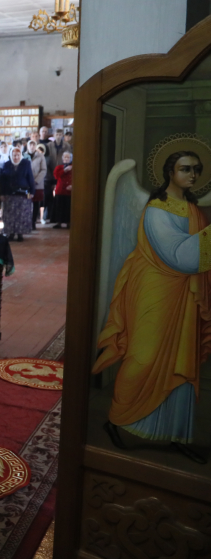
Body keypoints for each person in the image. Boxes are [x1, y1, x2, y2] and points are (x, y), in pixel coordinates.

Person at [92, 150, 210, 463]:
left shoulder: (192, 208)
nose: (192, 175)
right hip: (154, 292)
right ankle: (117, 418)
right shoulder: (156, 209)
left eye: (197, 169)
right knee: (142, 358)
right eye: (185, 169)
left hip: (183, 296)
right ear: (170, 171)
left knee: (181, 361)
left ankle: (174, 433)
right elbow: (180, 256)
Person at [0, 147, 35, 241]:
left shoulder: (26, 163)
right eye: (14, 155)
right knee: (9, 215)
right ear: (11, 155)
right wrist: (1, 193)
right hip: (9, 194)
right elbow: (2, 181)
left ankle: (20, 234)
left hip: (23, 194)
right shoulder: (6, 164)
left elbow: (30, 178)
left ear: (21, 155)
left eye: (18, 155)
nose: (16, 157)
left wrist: (32, 192)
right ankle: (10, 233)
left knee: (21, 215)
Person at [44, 129, 70, 221]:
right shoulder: (49, 145)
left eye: (60, 134)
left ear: (62, 135)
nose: (58, 136)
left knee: (59, 196)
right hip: (50, 172)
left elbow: (69, 158)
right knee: (49, 196)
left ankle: (59, 218)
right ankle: (49, 216)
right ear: (54, 135)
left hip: (62, 172)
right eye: (57, 134)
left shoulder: (67, 145)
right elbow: (46, 159)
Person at [28, 140, 48, 226]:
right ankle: (27, 221)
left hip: (37, 184)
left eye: (33, 145)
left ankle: (33, 222)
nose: (32, 146)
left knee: (36, 203)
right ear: (28, 146)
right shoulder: (24, 155)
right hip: (27, 184)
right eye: (30, 145)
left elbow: (43, 170)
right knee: (27, 203)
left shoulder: (40, 156)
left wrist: (36, 180)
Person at [51, 151, 73, 228]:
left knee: (68, 207)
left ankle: (69, 223)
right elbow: (56, 176)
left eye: (68, 157)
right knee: (59, 207)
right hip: (60, 190)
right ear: (63, 158)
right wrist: (64, 170)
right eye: (65, 157)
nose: (66, 159)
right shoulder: (59, 167)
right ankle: (58, 222)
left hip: (70, 191)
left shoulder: (74, 167)